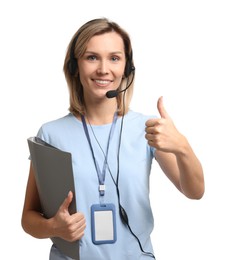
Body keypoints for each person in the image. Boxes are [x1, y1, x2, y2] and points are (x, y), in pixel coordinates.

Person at [21, 18, 205, 260]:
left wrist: (182, 147)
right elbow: (28, 218)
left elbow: (195, 191)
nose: (103, 69)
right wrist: (54, 227)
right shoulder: (50, 134)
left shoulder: (147, 128)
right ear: (75, 66)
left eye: (114, 58)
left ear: (127, 68)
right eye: (92, 57)